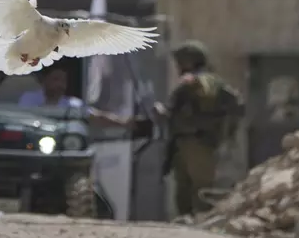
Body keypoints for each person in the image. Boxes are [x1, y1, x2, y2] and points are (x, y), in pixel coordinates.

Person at [153, 40, 243, 217]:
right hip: (204, 142)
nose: (178, 66)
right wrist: (226, 132)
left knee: (192, 193)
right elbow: (238, 105)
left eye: (180, 61)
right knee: (199, 189)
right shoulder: (215, 82)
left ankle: (196, 230)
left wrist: (159, 112)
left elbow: (171, 112)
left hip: (189, 142)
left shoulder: (189, 82)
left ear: (189, 61)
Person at [18, 65, 133, 127]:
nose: (60, 84)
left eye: (63, 80)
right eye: (55, 79)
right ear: (44, 80)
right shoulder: (29, 99)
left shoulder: (73, 104)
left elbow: (95, 116)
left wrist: (123, 122)